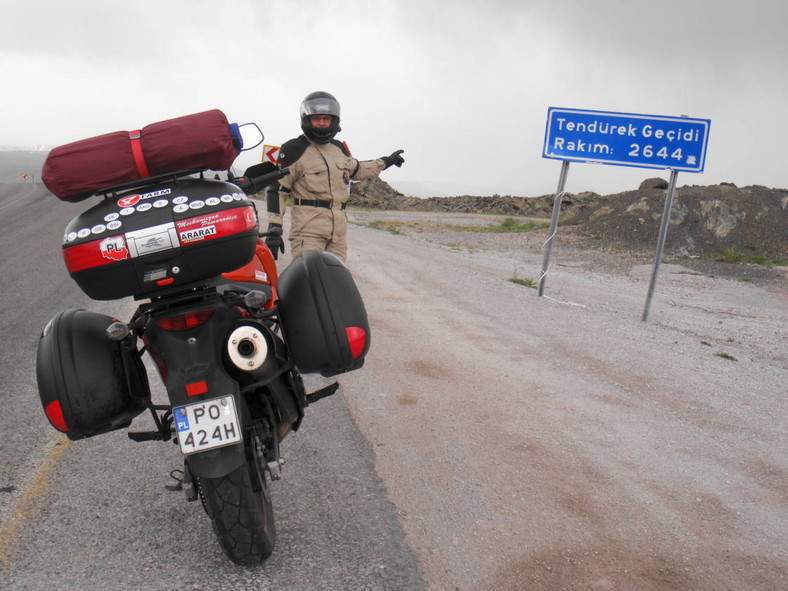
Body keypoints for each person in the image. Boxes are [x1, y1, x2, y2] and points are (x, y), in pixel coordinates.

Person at [264, 91, 404, 262]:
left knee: (336, 283)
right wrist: (274, 227)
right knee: (309, 282)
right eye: (317, 119)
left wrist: (386, 161)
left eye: (326, 119)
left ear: (334, 120)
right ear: (307, 119)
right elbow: (277, 190)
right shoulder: (293, 149)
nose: (322, 123)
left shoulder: (338, 148)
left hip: (338, 235)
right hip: (308, 232)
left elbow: (358, 169)